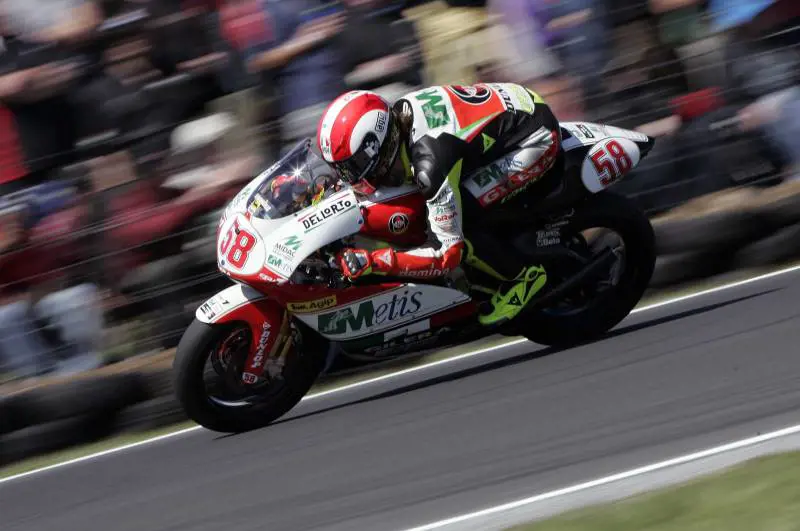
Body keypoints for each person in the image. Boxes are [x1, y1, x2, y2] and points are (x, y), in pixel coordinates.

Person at [316, 83, 565, 326]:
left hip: (535, 139)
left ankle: (524, 276)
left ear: (379, 147)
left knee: (463, 218)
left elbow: (447, 257)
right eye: (341, 170)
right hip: (520, 106)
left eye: (353, 167)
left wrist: (375, 261)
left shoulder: (430, 165)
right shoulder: (400, 114)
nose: (349, 178)